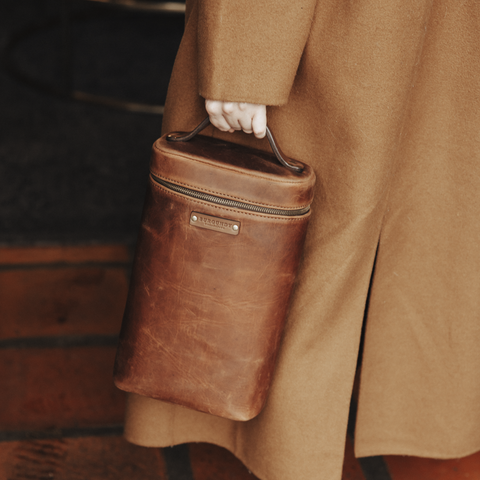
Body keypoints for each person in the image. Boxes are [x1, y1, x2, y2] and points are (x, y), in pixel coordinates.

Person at [122, 1, 480, 479]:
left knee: (311, 270)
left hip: (357, 31)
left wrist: (243, 63)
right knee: (335, 257)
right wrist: (246, 64)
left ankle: (300, 456)